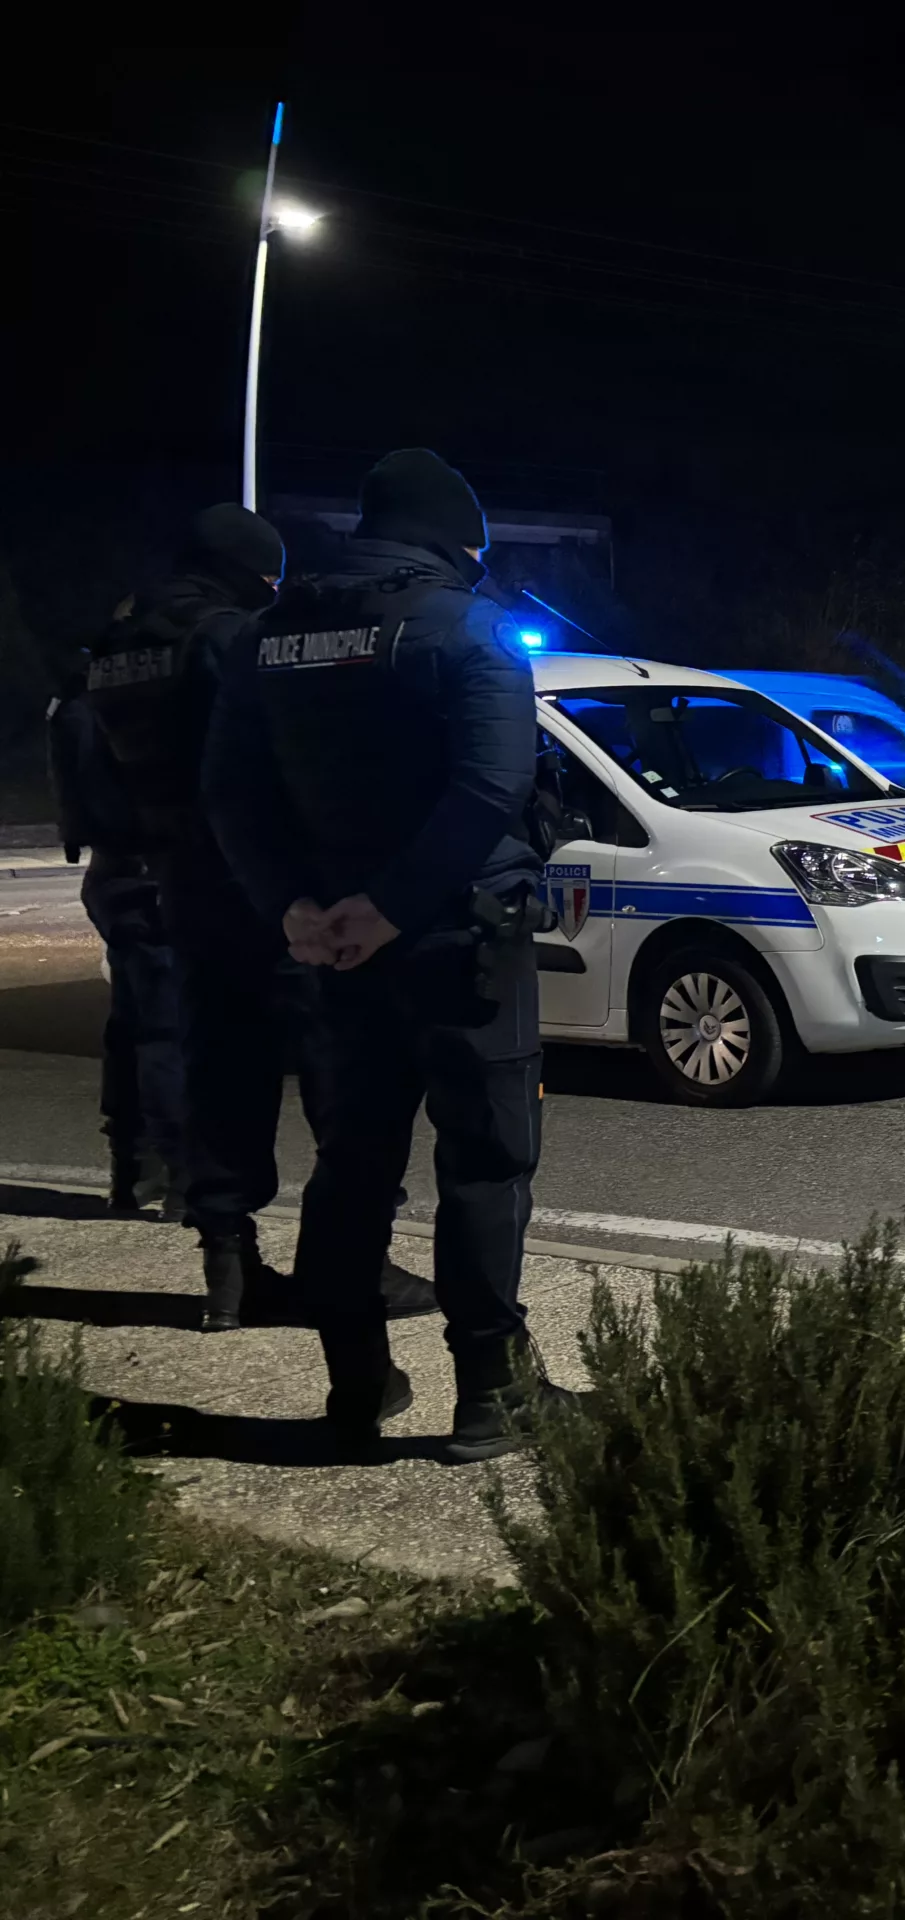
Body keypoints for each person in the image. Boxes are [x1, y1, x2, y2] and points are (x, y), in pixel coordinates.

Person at [206, 449, 562, 1460]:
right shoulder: (468, 629)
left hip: (332, 954)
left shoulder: (267, 637)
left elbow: (231, 795)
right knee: (485, 1170)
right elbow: (491, 788)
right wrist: (393, 908)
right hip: (458, 941)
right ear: (462, 538)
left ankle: (355, 1388)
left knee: (351, 1168)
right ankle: (493, 1395)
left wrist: (298, 910)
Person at [82, 506, 435, 1331]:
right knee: (335, 1068)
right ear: (249, 568)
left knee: (221, 1072)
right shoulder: (229, 638)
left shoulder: (116, 648)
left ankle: (228, 1271)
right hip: (265, 883)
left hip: (177, 883)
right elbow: (273, 752)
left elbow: (93, 771)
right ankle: (353, 1264)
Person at [48, 643, 187, 1211]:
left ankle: (136, 1168)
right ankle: (182, 1175)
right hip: (157, 872)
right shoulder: (181, 659)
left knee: (136, 1026)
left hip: (117, 870)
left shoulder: (95, 672)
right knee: (170, 1030)